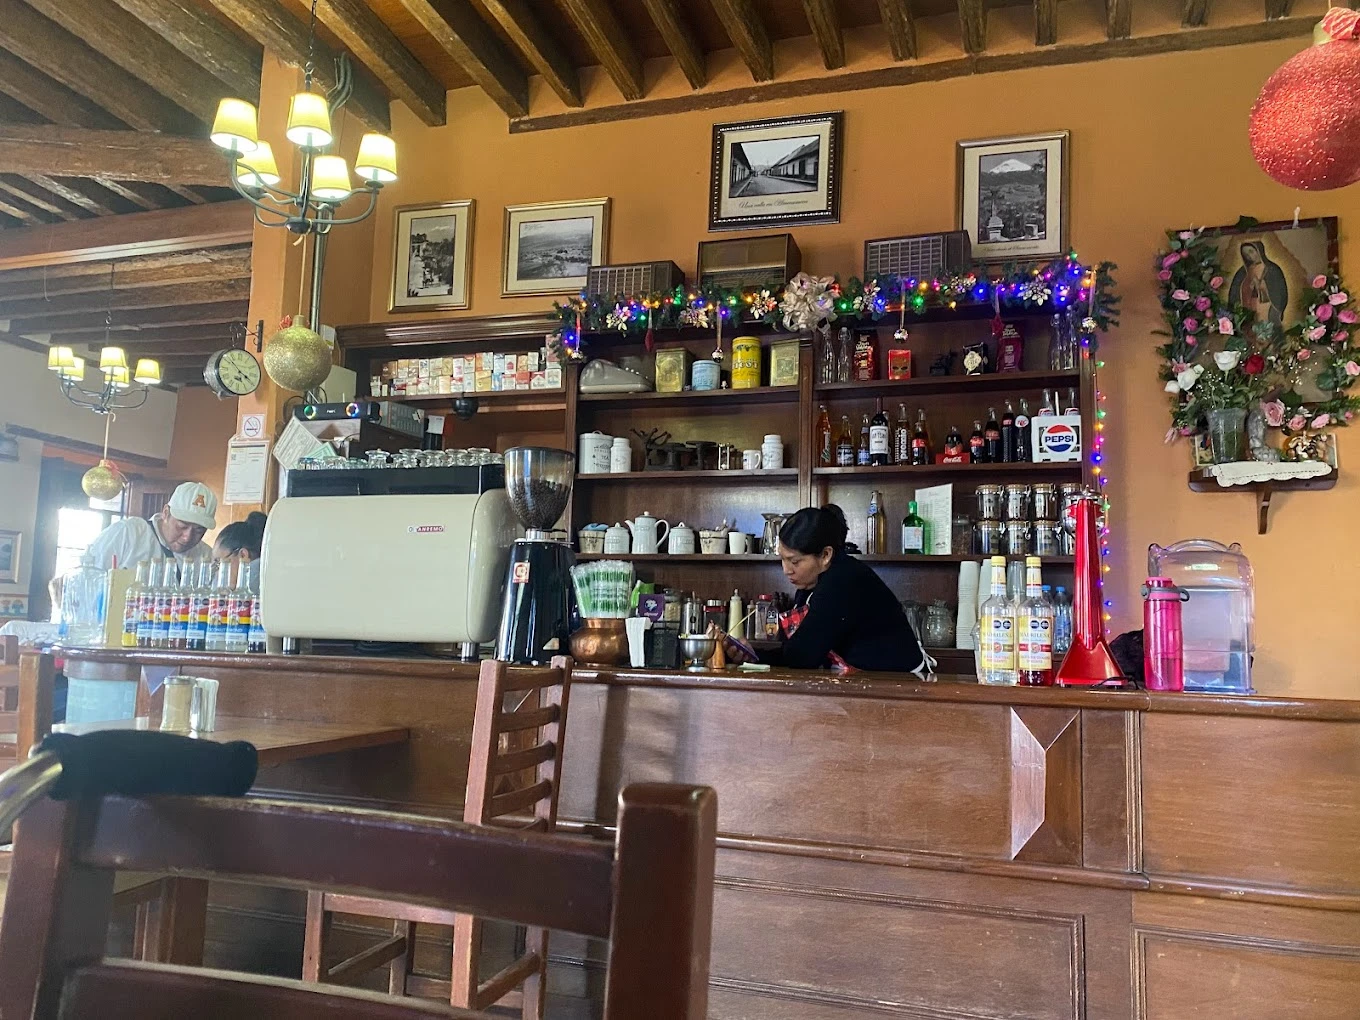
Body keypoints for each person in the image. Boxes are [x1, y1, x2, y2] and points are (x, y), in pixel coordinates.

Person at [770, 505, 929, 675]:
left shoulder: (842, 579)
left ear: (825, 555)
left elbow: (802, 655)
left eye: (794, 562)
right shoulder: (810, 583)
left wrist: (757, 657)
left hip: (901, 679)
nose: (786, 570)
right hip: (865, 676)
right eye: (782, 559)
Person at [85, 481, 217, 570]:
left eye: (198, 531)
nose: (187, 537)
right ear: (166, 513)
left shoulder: (206, 556)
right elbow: (90, 578)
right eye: (182, 526)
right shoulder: (127, 533)